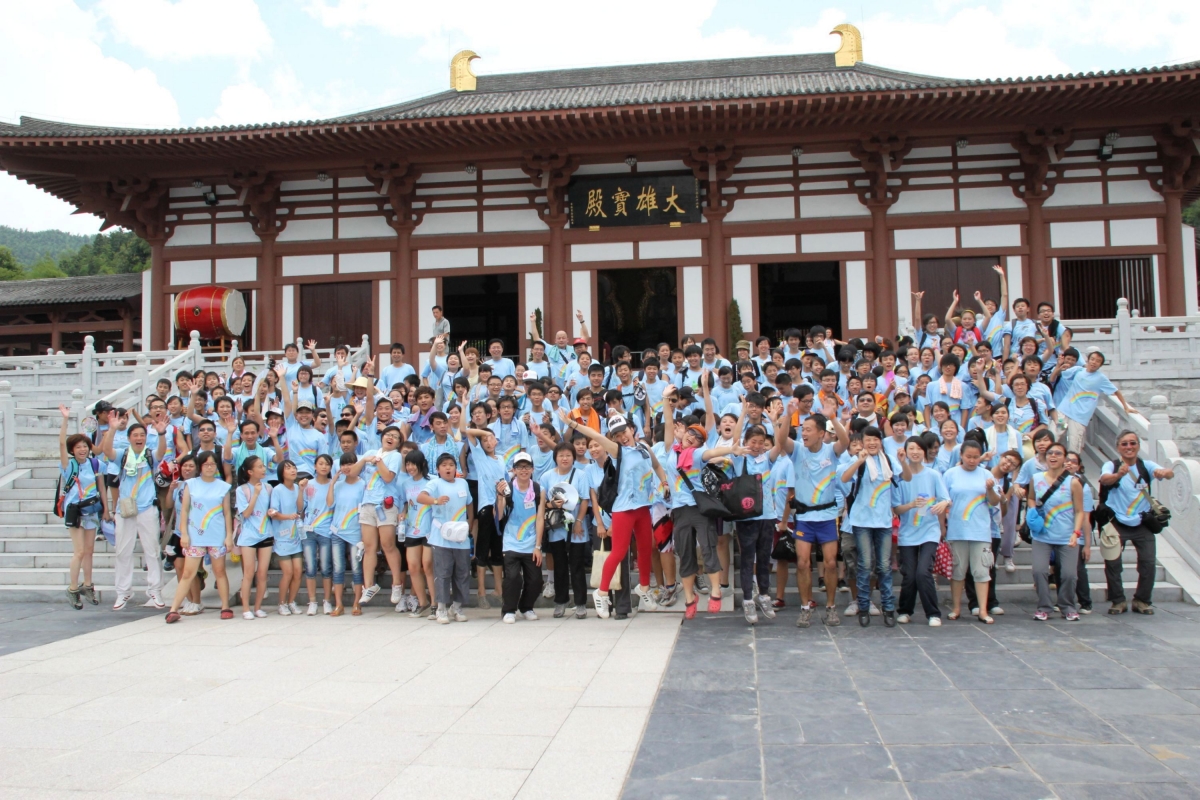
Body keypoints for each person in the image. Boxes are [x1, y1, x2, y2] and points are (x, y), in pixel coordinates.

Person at [562, 409, 669, 619]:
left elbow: (657, 466)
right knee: (619, 552)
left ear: (632, 429)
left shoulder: (645, 448)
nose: (622, 436)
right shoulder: (618, 451)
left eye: (624, 431)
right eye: (617, 435)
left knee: (646, 549)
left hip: (643, 507)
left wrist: (664, 482)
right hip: (623, 509)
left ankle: (644, 588)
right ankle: (602, 592)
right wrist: (573, 424)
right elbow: (596, 435)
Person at [778, 396, 849, 627]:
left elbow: (845, 441)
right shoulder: (798, 450)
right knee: (802, 563)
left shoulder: (831, 451)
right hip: (804, 517)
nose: (804, 434)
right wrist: (788, 416)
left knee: (830, 563)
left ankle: (831, 607)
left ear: (821, 433)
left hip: (827, 516)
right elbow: (781, 440)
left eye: (809, 430)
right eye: (802, 430)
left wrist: (833, 417)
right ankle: (805, 607)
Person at [1099, 430, 1175, 615]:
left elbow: (1168, 473)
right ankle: (1118, 601)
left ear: (1138, 446)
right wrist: (1118, 475)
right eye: (1124, 444)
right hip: (1116, 521)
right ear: (1118, 447)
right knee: (1113, 563)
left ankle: (1142, 600)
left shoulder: (1146, 466)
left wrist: (1165, 473)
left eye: (1133, 443)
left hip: (1142, 521)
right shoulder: (1111, 465)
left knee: (1148, 562)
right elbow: (1104, 479)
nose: (1129, 447)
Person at [840, 426, 904, 627]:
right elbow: (844, 478)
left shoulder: (889, 460)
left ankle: (888, 607)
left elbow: (905, 477)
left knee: (884, 565)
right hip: (861, 521)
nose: (872, 443)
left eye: (876, 439)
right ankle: (863, 606)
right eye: (868, 439)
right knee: (864, 564)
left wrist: (903, 460)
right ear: (863, 442)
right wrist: (859, 460)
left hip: (883, 521)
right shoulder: (857, 460)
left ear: (881, 441)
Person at [102, 415, 166, 610]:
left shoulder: (150, 455)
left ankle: (155, 589)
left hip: (147, 508)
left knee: (153, 550)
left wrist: (161, 433)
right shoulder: (122, 455)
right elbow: (107, 451)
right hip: (126, 509)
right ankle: (123, 592)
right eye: (135, 435)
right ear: (129, 438)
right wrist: (112, 429)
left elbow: (162, 452)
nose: (139, 438)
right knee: (122, 551)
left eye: (142, 435)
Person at [166, 451, 234, 622]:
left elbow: (227, 513)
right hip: (195, 536)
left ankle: (225, 606)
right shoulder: (190, 485)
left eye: (212, 464)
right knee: (188, 573)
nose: (209, 467)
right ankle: (174, 609)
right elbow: (184, 511)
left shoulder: (223, 487)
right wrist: (184, 533)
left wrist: (229, 536)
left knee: (219, 571)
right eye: (206, 464)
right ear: (200, 466)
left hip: (217, 535)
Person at [942, 439, 1002, 623]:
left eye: (976, 457)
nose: (972, 460)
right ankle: (956, 608)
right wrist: (942, 526)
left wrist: (990, 489)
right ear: (961, 455)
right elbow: (942, 500)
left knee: (981, 571)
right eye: (968, 456)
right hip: (957, 530)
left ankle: (983, 610)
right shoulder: (950, 474)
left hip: (980, 531)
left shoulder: (986, 474)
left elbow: (995, 501)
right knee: (958, 571)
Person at [892, 436, 949, 626]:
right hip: (907, 532)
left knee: (923, 572)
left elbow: (946, 498)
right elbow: (897, 508)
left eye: (919, 449)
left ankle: (933, 613)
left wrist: (942, 504)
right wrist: (911, 505)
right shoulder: (900, 478)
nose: (915, 452)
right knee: (909, 574)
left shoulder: (933, 475)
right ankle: (905, 610)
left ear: (924, 452)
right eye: (911, 449)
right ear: (905, 452)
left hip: (929, 531)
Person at [1028, 442, 1085, 621]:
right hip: (1042, 534)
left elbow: (1079, 511)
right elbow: (1031, 498)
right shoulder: (1036, 479)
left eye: (1058, 453)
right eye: (1050, 453)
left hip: (1066, 535)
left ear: (1064, 458)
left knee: (1069, 574)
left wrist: (1076, 533)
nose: (1053, 456)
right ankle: (1044, 606)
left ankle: (1067, 606)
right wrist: (1033, 512)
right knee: (1039, 571)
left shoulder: (1073, 482)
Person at [58, 405, 107, 609]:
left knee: (89, 550)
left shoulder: (95, 464)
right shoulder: (69, 465)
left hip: (91, 509)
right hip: (75, 510)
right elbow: (61, 443)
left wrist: (106, 509)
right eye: (78, 447)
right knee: (79, 551)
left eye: (85, 446)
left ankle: (88, 585)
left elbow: (102, 487)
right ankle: (72, 588)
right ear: (73, 450)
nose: (82, 449)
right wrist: (65, 419)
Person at [418, 453, 475, 624]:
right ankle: (441, 608)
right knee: (443, 573)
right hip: (441, 537)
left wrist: (470, 522)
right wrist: (435, 500)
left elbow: (469, 502)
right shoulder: (435, 483)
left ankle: (456, 607)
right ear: (438, 469)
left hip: (461, 537)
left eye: (451, 464)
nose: (448, 468)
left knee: (462, 573)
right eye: (444, 465)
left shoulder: (463, 483)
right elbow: (421, 497)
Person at [496, 452, 547, 623]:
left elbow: (540, 518)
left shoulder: (539, 490)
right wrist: (500, 496)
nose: (523, 470)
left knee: (536, 580)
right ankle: (509, 610)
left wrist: (538, 546)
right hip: (511, 541)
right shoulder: (508, 488)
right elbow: (499, 515)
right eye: (520, 467)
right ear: (514, 470)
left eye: (527, 467)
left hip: (531, 542)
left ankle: (526, 607)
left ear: (532, 469)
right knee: (512, 577)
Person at [1054, 350, 1136, 453]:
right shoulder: (1077, 370)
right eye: (1092, 359)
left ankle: (1072, 462)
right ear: (1088, 360)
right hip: (1065, 411)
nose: (1094, 362)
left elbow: (1116, 391)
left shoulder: (1101, 378)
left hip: (1079, 417)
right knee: (1055, 434)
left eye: (1098, 361)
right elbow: (1060, 374)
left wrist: (1126, 407)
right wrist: (1059, 366)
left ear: (1100, 365)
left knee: (1074, 444)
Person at [234, 456, 274, 619]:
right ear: (250, 471)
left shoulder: (269, 487)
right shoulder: (242, 490)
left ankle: (258, 607)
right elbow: (246, 513)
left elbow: (272, 509)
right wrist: (255, 494)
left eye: (263, 466)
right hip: (249, 535)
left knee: (262, 573)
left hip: (266, 532)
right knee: (249, 573)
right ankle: (246, 608)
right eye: (259, 466)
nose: (263, 469)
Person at [269, 460, 305, 616]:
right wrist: (288, 516)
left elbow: (300, 508)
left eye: (294, 468)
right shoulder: (277, 490)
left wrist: (301, 490)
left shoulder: (297, 487)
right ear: (281, 472)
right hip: (282, 537)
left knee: (298, 571)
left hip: (296, 535)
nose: (292, 470)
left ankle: (292, 601)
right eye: (288, 468)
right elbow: (273, 513)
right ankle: (281, 603)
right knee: (288, 572)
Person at [302, 454, 336, 615]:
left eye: (327, 464)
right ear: (315, 466)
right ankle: (312, 601)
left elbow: (332, 504)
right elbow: (301, 506)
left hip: (326, 531)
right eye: (320, 463)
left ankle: (327, 601)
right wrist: (300, 490)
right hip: (309, 530)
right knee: (310, 567)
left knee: (326, 568)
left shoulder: (334, 484)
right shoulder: (308, 484)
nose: (324, 466)